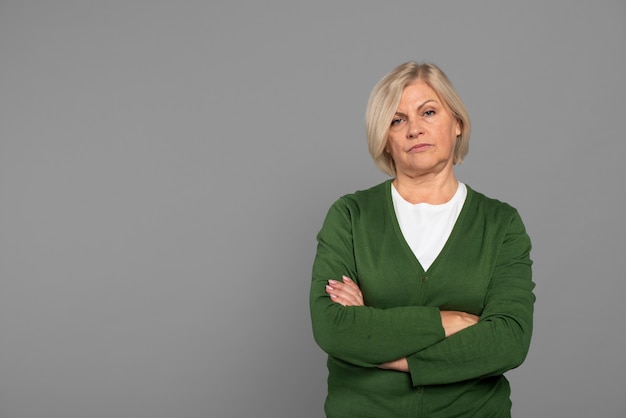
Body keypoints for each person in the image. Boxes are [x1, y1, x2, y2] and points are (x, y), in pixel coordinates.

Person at [310, 61, 535, 417]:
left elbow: (508, 342)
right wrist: (449, 322)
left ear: (457, 123)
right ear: (385, 138)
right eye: (397, 120)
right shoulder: (351, 216)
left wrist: (389, 353)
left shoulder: (500, 223)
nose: (414, 129)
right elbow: (334, 328)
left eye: (428, 112)